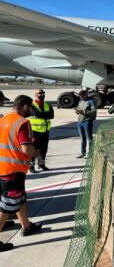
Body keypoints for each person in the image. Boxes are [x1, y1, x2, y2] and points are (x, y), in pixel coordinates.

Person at [0, 95, 43, 252]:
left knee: (21, 198)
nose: (32, 110)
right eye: (31, 107)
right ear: (25, 107)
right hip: (13, 170)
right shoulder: (22, 123)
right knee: (8, 205)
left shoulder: (3, 120)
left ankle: (26, 226)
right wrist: (37, 154)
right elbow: (26, 148)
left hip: (3, 167)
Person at [28, 89, 54, 172]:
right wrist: (45, 115)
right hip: (35, 131)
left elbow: (51, 115)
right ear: (35, 94)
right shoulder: (32, 105)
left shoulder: (47, 105)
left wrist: (42, 115)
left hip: (45, 131)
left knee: (44, 149)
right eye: (40, 93)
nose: (42, 94)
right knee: (34, 149)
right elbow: (36, 114)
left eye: (43, 93)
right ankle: (31, 166)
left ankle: (41, 164)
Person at [75, 90, 97, 159]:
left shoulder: (91, 101)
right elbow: (79, 109)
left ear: (86, 95)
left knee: (89, 138)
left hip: (87, 121)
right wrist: (77, 111)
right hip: (80, 122)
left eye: (82, 96)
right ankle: (83, 153)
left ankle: (90, 153)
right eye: (80, 96)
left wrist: (84, 112)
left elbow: (93, 111)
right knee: (82, 139)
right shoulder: (80, 101)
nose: (81, 97)